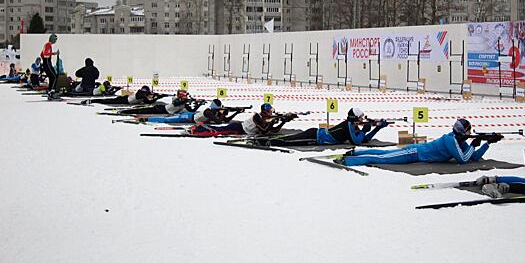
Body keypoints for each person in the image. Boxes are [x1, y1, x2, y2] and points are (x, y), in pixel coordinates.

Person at [337, 118, 500, 166]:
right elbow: (463, 159)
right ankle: (350, 159)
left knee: (384, 155)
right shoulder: (451, 140)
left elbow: (473, 157)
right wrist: (473, 144)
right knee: (383, 158)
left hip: (415, 154)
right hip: (414, 153)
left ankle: (354, 153)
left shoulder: (457, 140)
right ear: (462, 131)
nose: (470, 134)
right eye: (468, 131)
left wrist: (487, 144)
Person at [253, 107, 388, 147]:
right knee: (289, 141)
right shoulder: (348, 126)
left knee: (289, 139)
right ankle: (264, 141)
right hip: (315, 136)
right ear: (355, 118)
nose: (362, 120)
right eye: (360, 118)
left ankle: (264, 141)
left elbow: (364, 139)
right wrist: (365, 129)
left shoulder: (352, 126)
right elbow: (357, 141)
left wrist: (378, 128)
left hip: (316, 136)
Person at [188, 103, 295, 136]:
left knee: (219, 128)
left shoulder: (264, 118)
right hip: (238, 129)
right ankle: (197, 130)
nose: (271, 113)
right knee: (219, 131)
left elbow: (273, 130)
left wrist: (283, 122)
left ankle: (200, 127)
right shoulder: (257, 117)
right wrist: (272, 122)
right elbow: (264, 131)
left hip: (240, 127)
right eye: (270, 111)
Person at [143, 99, 245, 124]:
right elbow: (219, 121)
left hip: (192, 116)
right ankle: (147, 118)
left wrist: (236, 113)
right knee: (166, 120)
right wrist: (222, 114)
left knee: (167, 119)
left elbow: (225, 120)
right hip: (187, 117)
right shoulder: (208, 112)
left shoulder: (213, 112)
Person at [117, 89, 199, 115]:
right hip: (160, 109)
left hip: (162, 109)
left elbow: (192, 110)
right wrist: (188, 101)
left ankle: (124, 111)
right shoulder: (176, 99)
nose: (186, 97)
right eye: (185, 95)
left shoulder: (183, 102)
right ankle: (124, 111)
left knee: (143, 110)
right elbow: (177, 102)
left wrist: (198, 105)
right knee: (141, 111)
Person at [85, 85, 165, 106]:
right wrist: (155, 96)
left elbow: (148, 102)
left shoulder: (142, 94)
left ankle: (92, 101)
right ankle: (92, 101)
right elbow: (145, 98)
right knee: (106, 101)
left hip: (126, 99)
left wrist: (156, 98)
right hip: (124, 100)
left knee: (108, 101)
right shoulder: (140, 93)